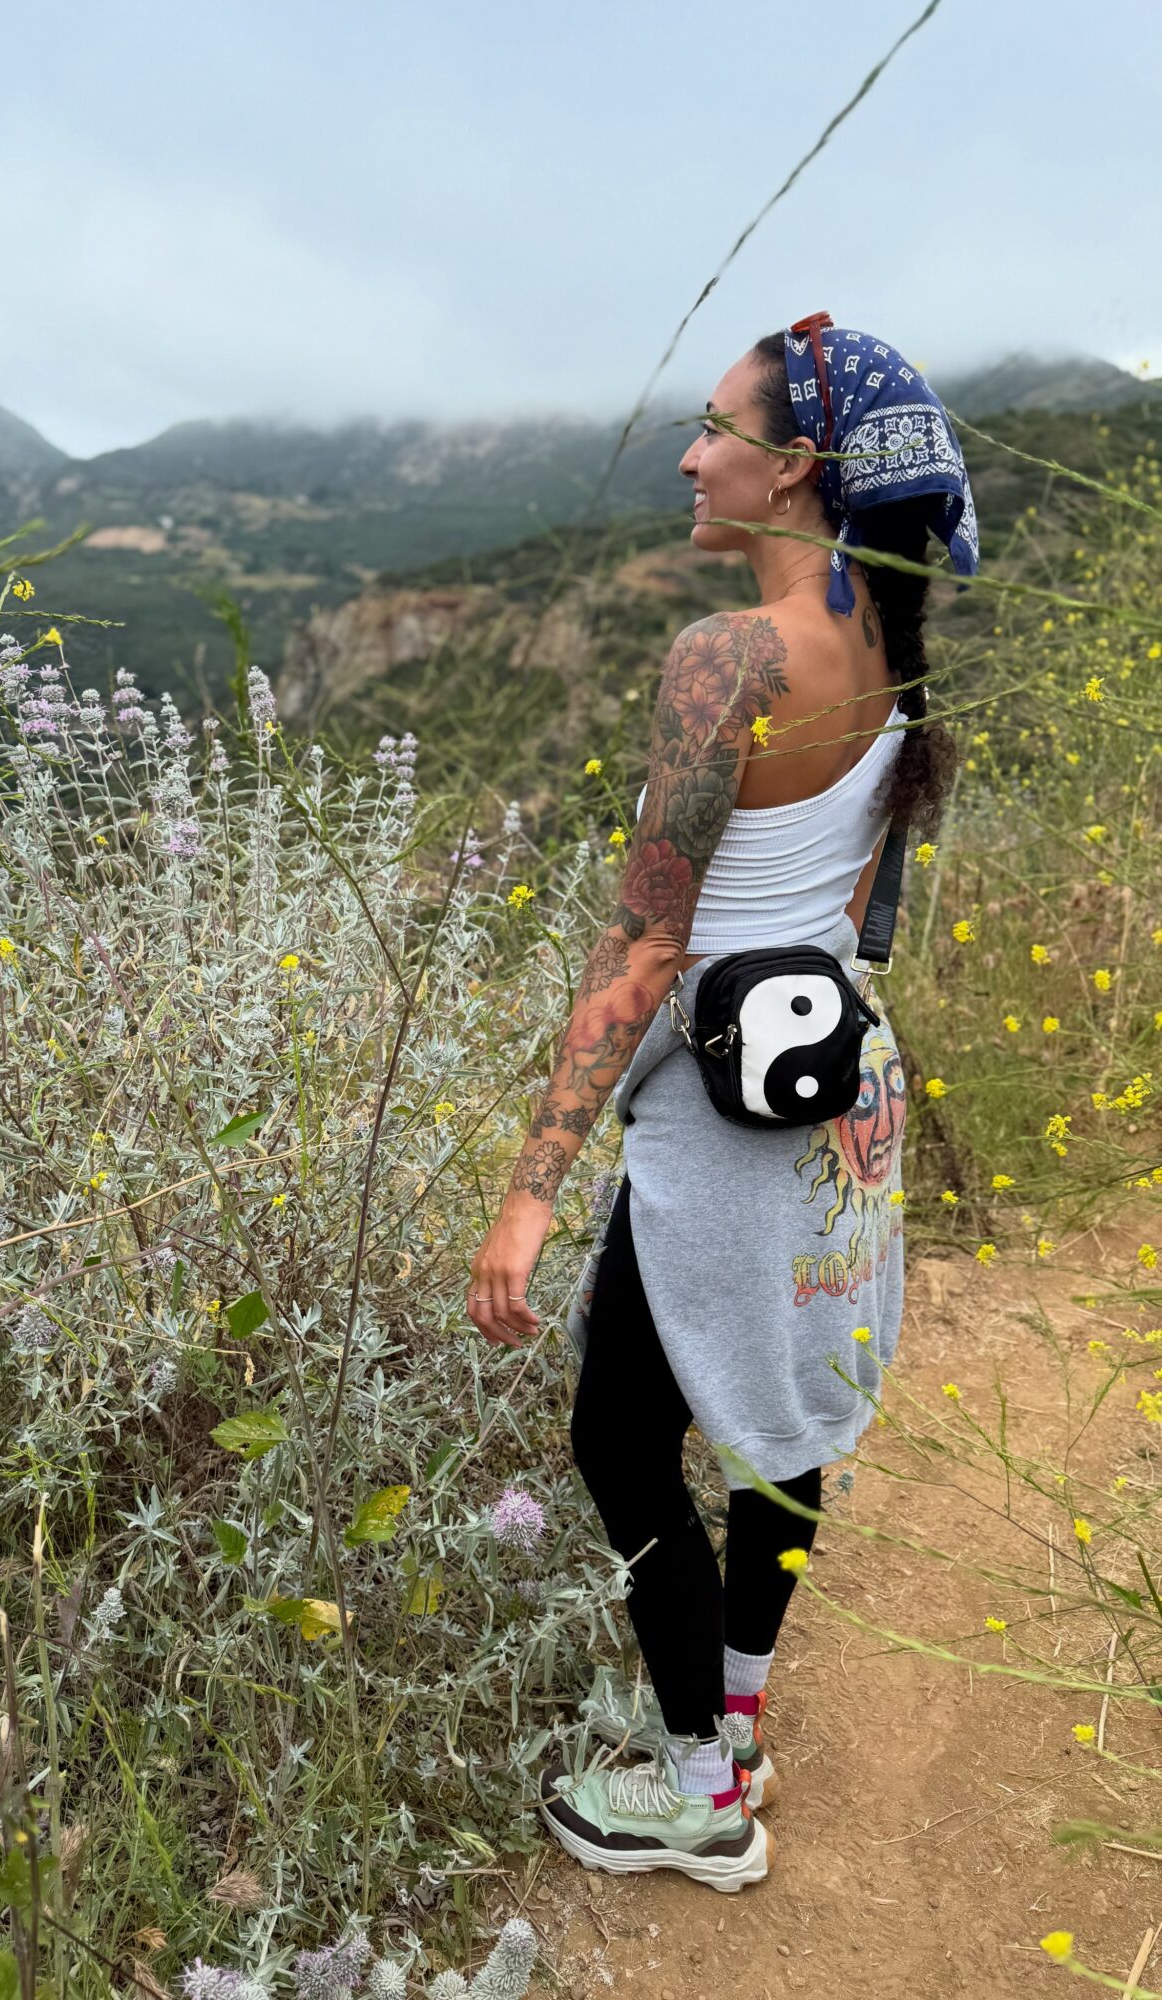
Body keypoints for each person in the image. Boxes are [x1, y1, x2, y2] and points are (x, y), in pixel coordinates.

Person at [464, 312, 977, 1889]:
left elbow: (644, 945)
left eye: (717, 428)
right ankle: (737, 1713)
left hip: (715, 1106)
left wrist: (532, 1189)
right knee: (777, 1422)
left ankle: (700, 1793)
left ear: (796, 466)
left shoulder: (728, 657)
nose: (691, 457)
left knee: (622, 1439)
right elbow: (849, 901)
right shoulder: (886, 650)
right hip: (833, 1097)